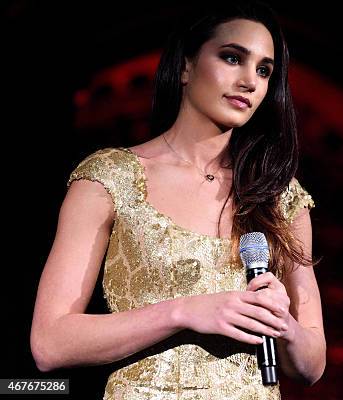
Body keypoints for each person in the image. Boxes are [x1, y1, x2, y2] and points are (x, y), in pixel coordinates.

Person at [30, 1, 326, 398]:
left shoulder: (278, 195)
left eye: (263, 70)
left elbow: (312, 365)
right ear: (186, 65)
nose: (250, 81)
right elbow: (50, 343)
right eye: (232, 57)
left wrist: (283, 324)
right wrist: (184, 311)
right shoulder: (111, 177)